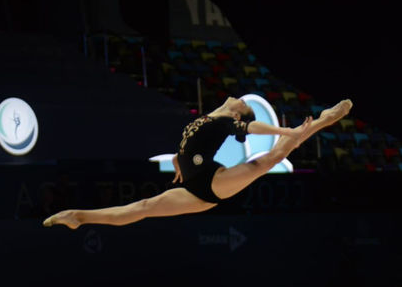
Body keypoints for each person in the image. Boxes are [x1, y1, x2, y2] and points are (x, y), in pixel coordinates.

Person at [43, 97, 353, 229]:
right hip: (194, 189)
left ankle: (323, 120)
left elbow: (252, 127)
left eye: (242, 104)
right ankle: (77, 216)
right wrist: (178, 162)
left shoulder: (225, 121)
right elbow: (187, 147)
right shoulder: (207, 118)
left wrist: (286, 131)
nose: (240, 98)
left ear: (237, 113)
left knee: (269, 160)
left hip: (213, 181)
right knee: (143, 208)